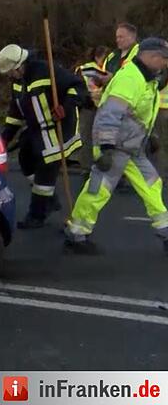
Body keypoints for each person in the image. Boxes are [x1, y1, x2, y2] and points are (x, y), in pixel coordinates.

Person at [63, 38, 168, 255]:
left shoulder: (146, 79)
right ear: (150, 57)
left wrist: (151, 136)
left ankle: (165, 230)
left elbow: (138, 116)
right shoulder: (131, 79)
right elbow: (109, 115)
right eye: (164, 59)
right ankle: (76, 233)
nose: (165, 63)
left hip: (132, 147)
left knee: (152, 185)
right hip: (116, 147)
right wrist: (105, 148)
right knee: (97, 191)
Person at [0, 44, 86, 229]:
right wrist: (4, 139)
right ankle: (49, 199)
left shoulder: (46, 70)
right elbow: (15, 113)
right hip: (38, 129)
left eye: (10, 72)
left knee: (46, 169)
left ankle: (38, 214)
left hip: (58, 128)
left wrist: (65, 107)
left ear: (19, 66)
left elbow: (77, 87)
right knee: (25, 157)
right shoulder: (18, 81)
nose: (9, 76)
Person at [73, 46, 110, 173]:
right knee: (90, 138)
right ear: (97, 57)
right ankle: (89, 168)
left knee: (88, 138)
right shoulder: (92, 70)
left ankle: (88, 167)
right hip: (91, 107)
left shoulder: (84, 68)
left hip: (91, 107)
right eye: (104, 58)